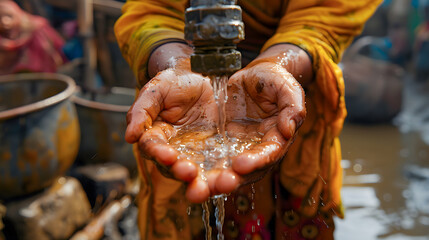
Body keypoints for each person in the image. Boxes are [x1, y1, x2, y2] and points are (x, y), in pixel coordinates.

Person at [114, 1, 381, 239]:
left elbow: (326, 16)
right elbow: (152, 10)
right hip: (180, 107)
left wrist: (277, 65)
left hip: (280, 108)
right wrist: (176, 64)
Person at [0, 0, 67, 75]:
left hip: (47, 78)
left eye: (9, 16)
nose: (5, 22)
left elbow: (60, 51)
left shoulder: (38, 29)